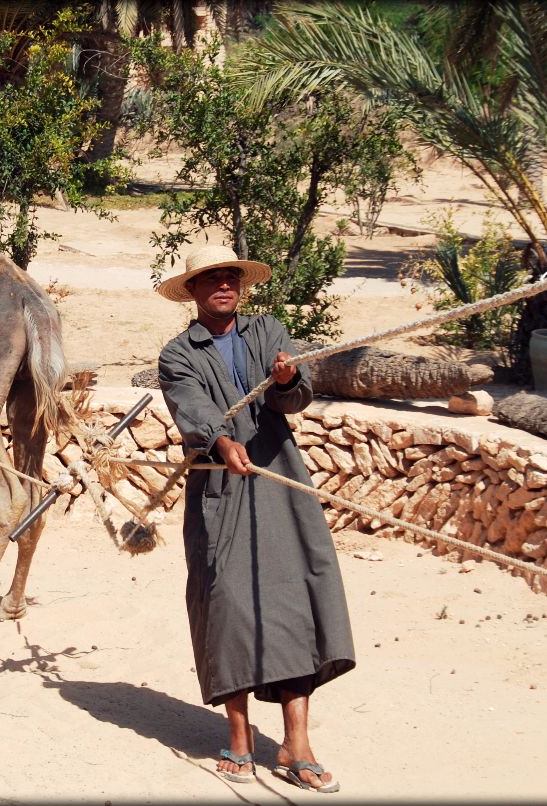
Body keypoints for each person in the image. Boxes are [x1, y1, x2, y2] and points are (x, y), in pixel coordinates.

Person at [156, 244, 356, 793]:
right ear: (192, 291)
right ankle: (240, 735)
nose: (224, 285)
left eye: (231, 276)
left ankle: (297, 744)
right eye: (211, 278)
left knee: (293, 598)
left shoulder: (268, 331)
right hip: (219, 487)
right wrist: (221, 442)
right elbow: (192, 409)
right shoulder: (177, 354)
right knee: (228, 604)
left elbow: (294, 401)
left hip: (277, 478)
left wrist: (288, 379)